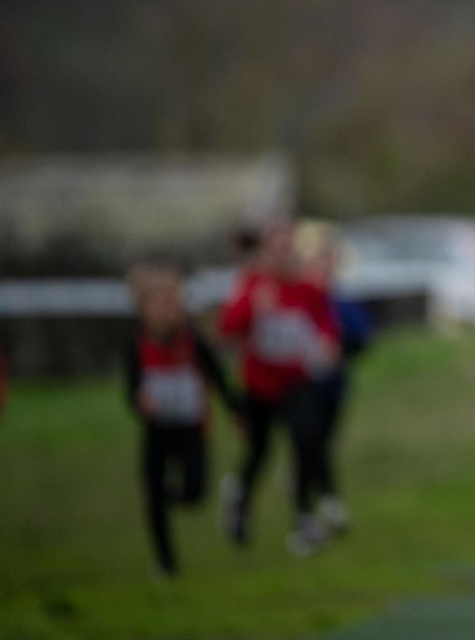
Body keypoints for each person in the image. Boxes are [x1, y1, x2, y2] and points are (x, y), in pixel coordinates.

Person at [217, 220, 342, 556]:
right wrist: (252, 308)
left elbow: (325, 320)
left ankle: (304, 520)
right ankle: (239, 499)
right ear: (263, 250)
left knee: (306, 438)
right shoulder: (250, 284)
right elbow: (226, 328)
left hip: (295, 380)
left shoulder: (306, 288)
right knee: (259, 452)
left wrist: (328, 341)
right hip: (258, 385)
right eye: (277, 247)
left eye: (289, 247)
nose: (283, 254)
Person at [124, 260, 243, 576]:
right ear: (145, 308)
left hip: (192, 427)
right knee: (153, 493)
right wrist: (141, 402)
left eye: (174, 302)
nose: (169, 311)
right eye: (161, 303)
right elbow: (132, 391)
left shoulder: (193, 341)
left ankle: (167, 499)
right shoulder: (137, 346)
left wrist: (235, 411)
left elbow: (218, 378)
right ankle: (166, 561)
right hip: (159, 430)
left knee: (194, 491)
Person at [296, 220, 370, 538]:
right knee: (310, 443)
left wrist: (340, 347)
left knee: (322, 443)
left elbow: (362, 336)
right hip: (302, 389)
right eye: (320, 260)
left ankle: (320, 499)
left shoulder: (340, 302)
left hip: (333, 387)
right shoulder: (297, 301)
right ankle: (318, 506)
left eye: (331, 261)